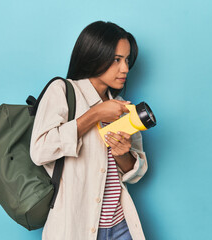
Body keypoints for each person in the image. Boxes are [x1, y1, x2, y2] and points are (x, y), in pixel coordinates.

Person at [30, 21, 148, 240]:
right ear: (94, 55)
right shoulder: (63, 91)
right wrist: (95, 115)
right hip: (76, 227)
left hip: (121, 225)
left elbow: (135, 171)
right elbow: (39, 150)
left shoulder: (122, 106)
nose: (125, 68)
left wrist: (123, 156)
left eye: (127, 60)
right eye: (116, 60)